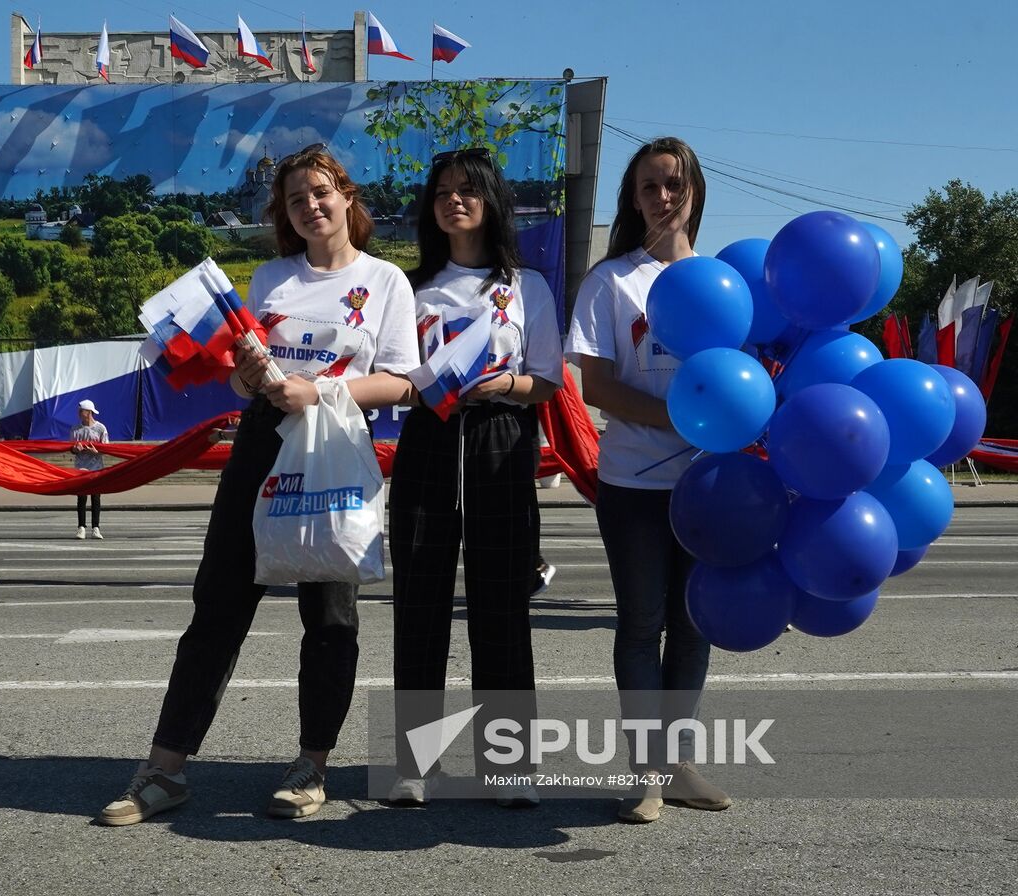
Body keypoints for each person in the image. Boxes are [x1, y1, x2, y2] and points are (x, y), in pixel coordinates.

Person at [100, 144, 419, 826]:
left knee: (330, 617)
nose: (310, 205)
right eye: (295, 199)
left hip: (333, 449)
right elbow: (247, 374)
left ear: (347, 197)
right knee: (217, 606)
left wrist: (323, 391)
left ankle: (310, 767)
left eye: (321, 191)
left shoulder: (387, 279)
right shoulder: (271, 278)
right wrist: (248, 376)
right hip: (260, 450)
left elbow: (403, 382)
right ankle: (165, 770)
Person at [386, 148, 563, 807]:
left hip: (499, 436)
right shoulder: (411, 289)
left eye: (468, 190)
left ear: (491, 201)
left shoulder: (526, 287)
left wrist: (503, 383)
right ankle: (415, 764)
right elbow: (398, 376)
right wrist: (421, 389)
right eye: (442, 192)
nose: (454, 201)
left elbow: (544, 380)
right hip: (430, 437)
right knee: (421, 608)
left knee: (500, 609)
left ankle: (508, 766)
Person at [565, 136, 731, 823]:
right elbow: (598, 386)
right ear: (632, 201)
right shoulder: (612, 281)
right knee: (641, 622)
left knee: (695, 625)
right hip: (633, 483)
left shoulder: (727, 283)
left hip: (713, 485)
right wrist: (681, 419)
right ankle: (646, 771)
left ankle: (678, 758)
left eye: (674, 184)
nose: (663, 197)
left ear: (694, 191)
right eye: (648, 187)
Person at [70, 399, 108, 540]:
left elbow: (106, 449)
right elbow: (71, 448)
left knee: (96, 498)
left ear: (89, 412)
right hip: (81, 468)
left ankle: (96, 528)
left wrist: (96, 451)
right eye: (79, 411)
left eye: (82, 411)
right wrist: (75, 449)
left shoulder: (100, 428)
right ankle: (81, 528)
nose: (79, 413)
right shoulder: (75, 429)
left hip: (96, 467)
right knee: (81, 498)